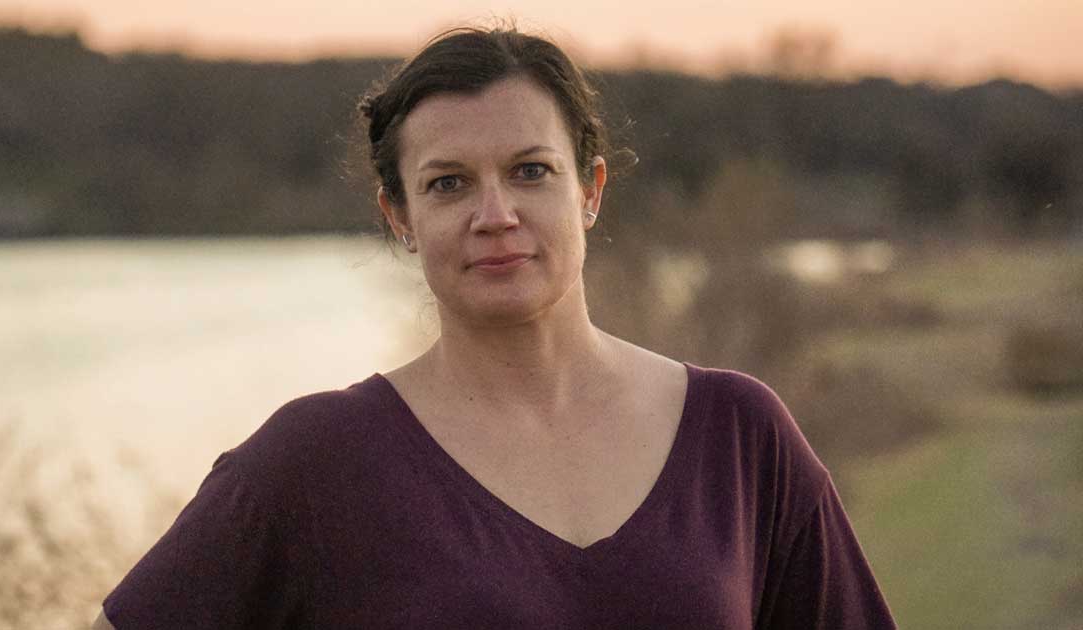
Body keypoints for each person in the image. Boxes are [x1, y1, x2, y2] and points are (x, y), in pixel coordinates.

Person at [95, 26, 895, 629]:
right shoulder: (315, 463)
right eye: (448, 184)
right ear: (398, 217)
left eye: (530, 171)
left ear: (591, 190)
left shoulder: (739, 435)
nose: (496, 214)